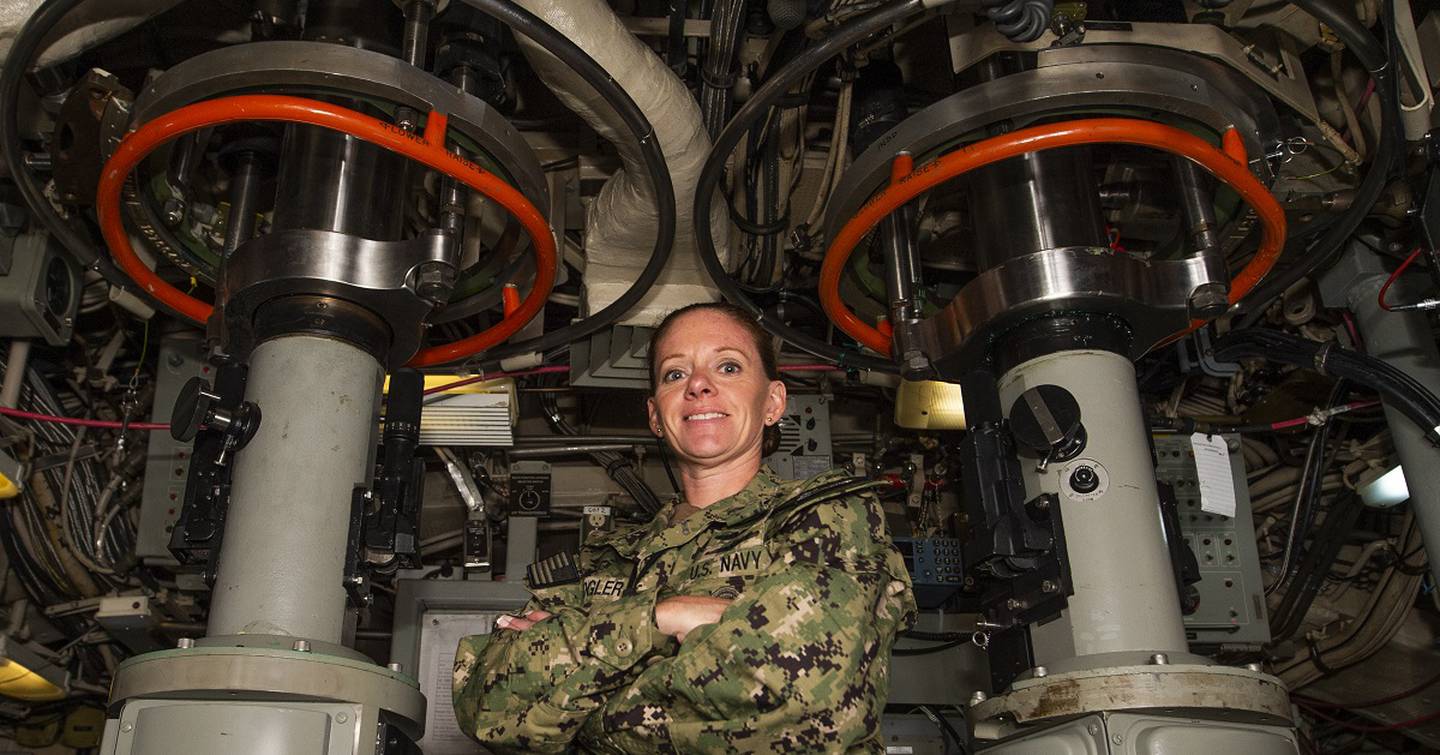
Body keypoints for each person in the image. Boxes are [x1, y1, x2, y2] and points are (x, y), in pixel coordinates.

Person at [452, 302, 917, 753]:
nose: (698, 385)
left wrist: (584, 717)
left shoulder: (826, 515)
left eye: (728, 367)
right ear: (656, 415)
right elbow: (488, 707)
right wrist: (664, 618)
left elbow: (810, 699)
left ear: (774, 402)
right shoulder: (599, 559)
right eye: (676, 374)